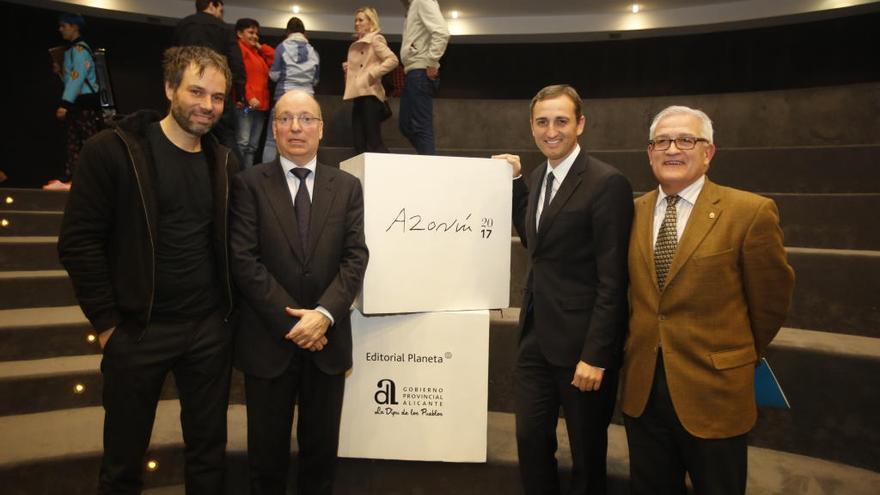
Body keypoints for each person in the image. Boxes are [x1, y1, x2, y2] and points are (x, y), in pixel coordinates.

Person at [57, 46, 239, 494]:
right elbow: (78, 243)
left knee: (209, 455)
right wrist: (106, 325)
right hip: (137, 331)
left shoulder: (225, 161)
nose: (207, 105)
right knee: (123, 462)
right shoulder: (112, 151)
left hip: (207, 332)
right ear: (169, 88)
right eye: (196, 91)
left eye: (217, 97)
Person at [620, 105, 795, 495]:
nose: (672, 149)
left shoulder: (749, 212)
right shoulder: (632, 212)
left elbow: (771, 303)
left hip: (715, 393)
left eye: (686, 139)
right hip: (643, 393)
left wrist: (731, 356)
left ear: (708, 152)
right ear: (649, 153)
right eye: (661, 141)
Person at [492, 84, 634, 495]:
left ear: (580, 124)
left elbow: (614, 280)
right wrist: (517, 181)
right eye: (542, 121)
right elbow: (537, 240)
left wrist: (596, 355)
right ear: (531, 126)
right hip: (535, 340)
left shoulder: (608, 183)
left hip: (582, 350)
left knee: (587, 458)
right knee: (531, 444)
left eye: (561, 121)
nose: (550, 130)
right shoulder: (539, 176)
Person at [229, 90, 368, 495]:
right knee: (266, 461)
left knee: (320, 458)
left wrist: (323, 315)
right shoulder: (248, 184)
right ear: (273, 128)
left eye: (306, 119)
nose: (296, 127)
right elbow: (244, 260)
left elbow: (355, 257)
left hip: (327, 344)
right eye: (286, 119)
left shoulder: (346, 187)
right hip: (268, 342)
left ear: (321, 129)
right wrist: (295, 322)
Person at [173, 0, 246, 162]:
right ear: (212, 5)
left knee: (184, 133)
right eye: (221, 10)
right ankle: (236, 181)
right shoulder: (224, 29)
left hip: (185, 88)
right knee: (226, 136)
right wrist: (239, 94)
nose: (221, 14)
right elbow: (236, 64)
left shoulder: (183, 25)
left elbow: (173, 61)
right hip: (217, 89)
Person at [46, 13, 101, 191]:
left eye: (64, 26)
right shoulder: (73, 51)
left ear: (75, 26)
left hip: (84, 102)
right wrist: (61, 72)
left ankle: (89, 179)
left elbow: (77, 79)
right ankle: (75, 178)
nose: (61, 29)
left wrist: (65, 104)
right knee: (75, 141)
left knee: (86, 141)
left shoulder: (79, 50)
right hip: (79, 101)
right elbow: (73, 79)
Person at [262, 17, 320, 164]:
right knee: (307, 138)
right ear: (304, 32)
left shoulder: (282, 47)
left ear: (288, 31)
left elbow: (274, 75)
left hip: (284, 95)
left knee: (271, 139)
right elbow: (315, 80)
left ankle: (264, 179)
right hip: (307, 99)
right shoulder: (313, 52)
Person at [343, 6, 399, 154]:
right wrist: (350, 69)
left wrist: (371, 74)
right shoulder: (360, 43)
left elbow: (392, 60)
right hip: (359, 96)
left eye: (361, 20)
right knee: (359, 144)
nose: (357, 23)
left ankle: (390, 173)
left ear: (370, 22)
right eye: (355, 20)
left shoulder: (375, 39)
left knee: (374, 143)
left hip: (371, 96)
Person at [398, 0, 449, 155]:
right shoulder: (414, 5)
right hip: (413, 73)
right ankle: (426, 158)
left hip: (420, 72)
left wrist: (432, 61)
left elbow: (442, 32)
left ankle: (428, 164)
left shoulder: (422, 0)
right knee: (406, 125)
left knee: (421, 126)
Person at [234, 17, 274, 168]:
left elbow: (274, 57)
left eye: (256, 33)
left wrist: (259, 46)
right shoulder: (239, 50)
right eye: (250, 32)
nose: (254, 36)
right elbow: (239, 76)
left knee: (252, 148)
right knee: (242, 144)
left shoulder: (257, 53)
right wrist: (249, 97)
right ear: (239, 33)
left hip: (261, 105)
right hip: (246, 104)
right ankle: (236, 178)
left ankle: (247, 179)